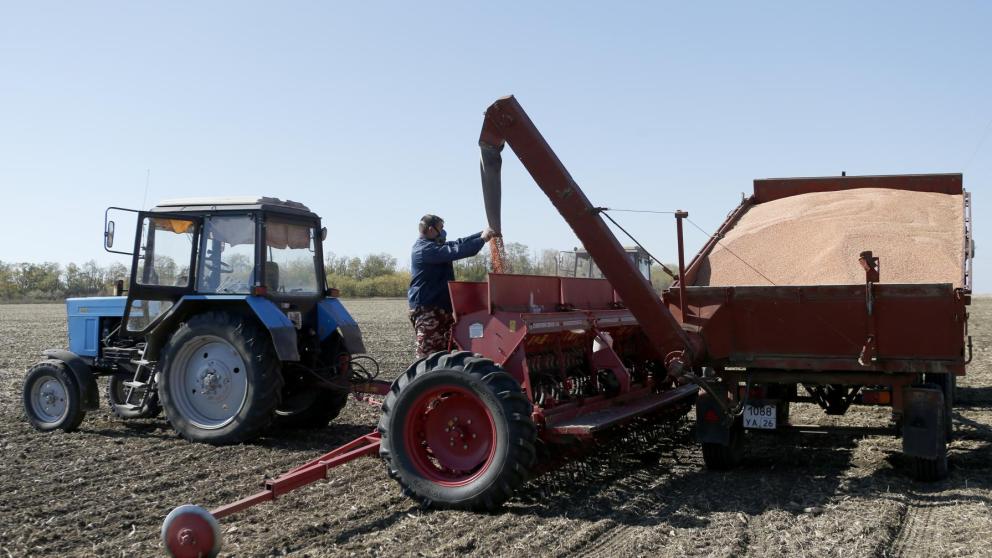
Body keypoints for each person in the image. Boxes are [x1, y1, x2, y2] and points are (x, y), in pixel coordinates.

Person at [408, 214, 497, 357]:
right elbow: (458, 250)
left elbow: (459, 243)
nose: (443, 232)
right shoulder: (424, 250)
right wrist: (483, 239)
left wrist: (481, 233)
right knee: (428, 352)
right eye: (441, 228)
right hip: (428, 308)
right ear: (431, 230)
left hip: (442, 308)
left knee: (449, 349)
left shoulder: (436, 246)